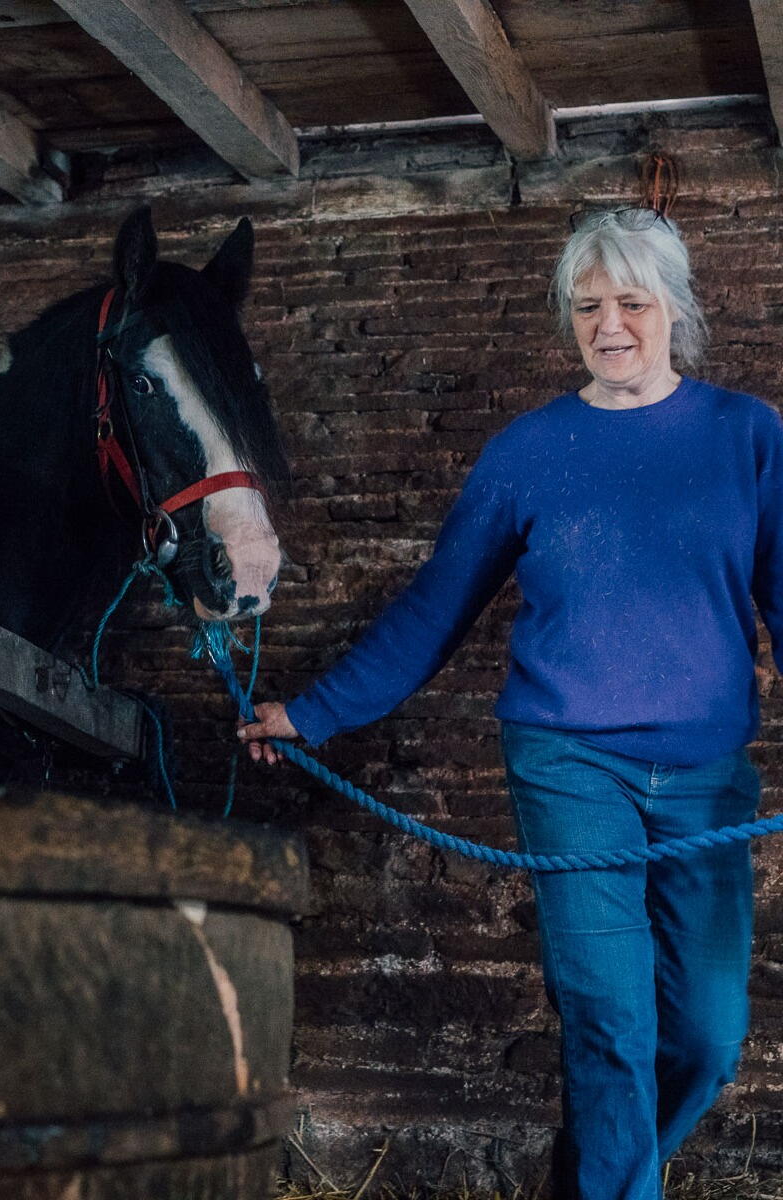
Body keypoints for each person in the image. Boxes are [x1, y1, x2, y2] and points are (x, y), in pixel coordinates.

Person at [236, 207, 781, 1199]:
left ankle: (597, 1177)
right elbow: (435, 608)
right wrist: (310, 714)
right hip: (569, 765)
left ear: (675, 307)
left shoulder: (748, 435)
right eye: (586, 307)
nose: (609, 326)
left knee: (707, 1036)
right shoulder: (528, 453)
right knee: (612, 1024)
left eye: (630, 302)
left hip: (705, 780)